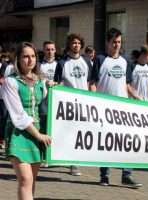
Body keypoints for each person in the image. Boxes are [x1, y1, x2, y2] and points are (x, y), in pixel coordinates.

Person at [90, 27, 142, 188]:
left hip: (123, 110)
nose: (116, 45)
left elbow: (127, 85)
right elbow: (92, 83)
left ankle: (127, 174)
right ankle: (104, 175)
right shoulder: (99, 59)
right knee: (106, 142)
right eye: (114, 42)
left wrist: (139, 98)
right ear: (107, 43)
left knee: (127, 141)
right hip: (104, 109)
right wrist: (95, 100)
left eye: (119, 42)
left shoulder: (126, 61)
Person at [1, 42, 51, 200]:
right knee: (25, 179)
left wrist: (54, 89)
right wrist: (39, 135)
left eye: (33, 56)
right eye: (25, 56)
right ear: (18, 59)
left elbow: (47, 103)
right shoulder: (10, 82)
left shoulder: (41, 81)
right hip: (19, 133)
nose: (30, 60)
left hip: (37, 132)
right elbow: (18, 115)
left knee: (31, 181)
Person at [54, 33, 92, 176]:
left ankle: (75, 160)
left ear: (81, 45)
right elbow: (58, 83)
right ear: (69, 45)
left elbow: (90, 83)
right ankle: (73, 163)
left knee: (80, 133)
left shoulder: (87, 62)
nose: (76, 45)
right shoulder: (62, 63)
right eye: (73, 43)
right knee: (69, 133)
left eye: (78, 43)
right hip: (68, 104)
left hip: (84, 103)